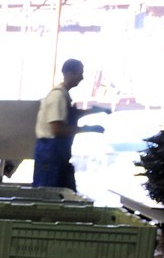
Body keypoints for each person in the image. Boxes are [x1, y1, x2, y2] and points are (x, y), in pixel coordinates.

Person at [31, 58, 109, 191]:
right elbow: (57, 129)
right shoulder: (57, 97)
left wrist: (96, 110)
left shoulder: (64, 95)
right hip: (50, 153)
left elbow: (70, 115)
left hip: (57, 154)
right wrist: (88, 129)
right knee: (49, 194)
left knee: (63, 193)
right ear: (69, 73)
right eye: (80, 73)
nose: (82, 77)